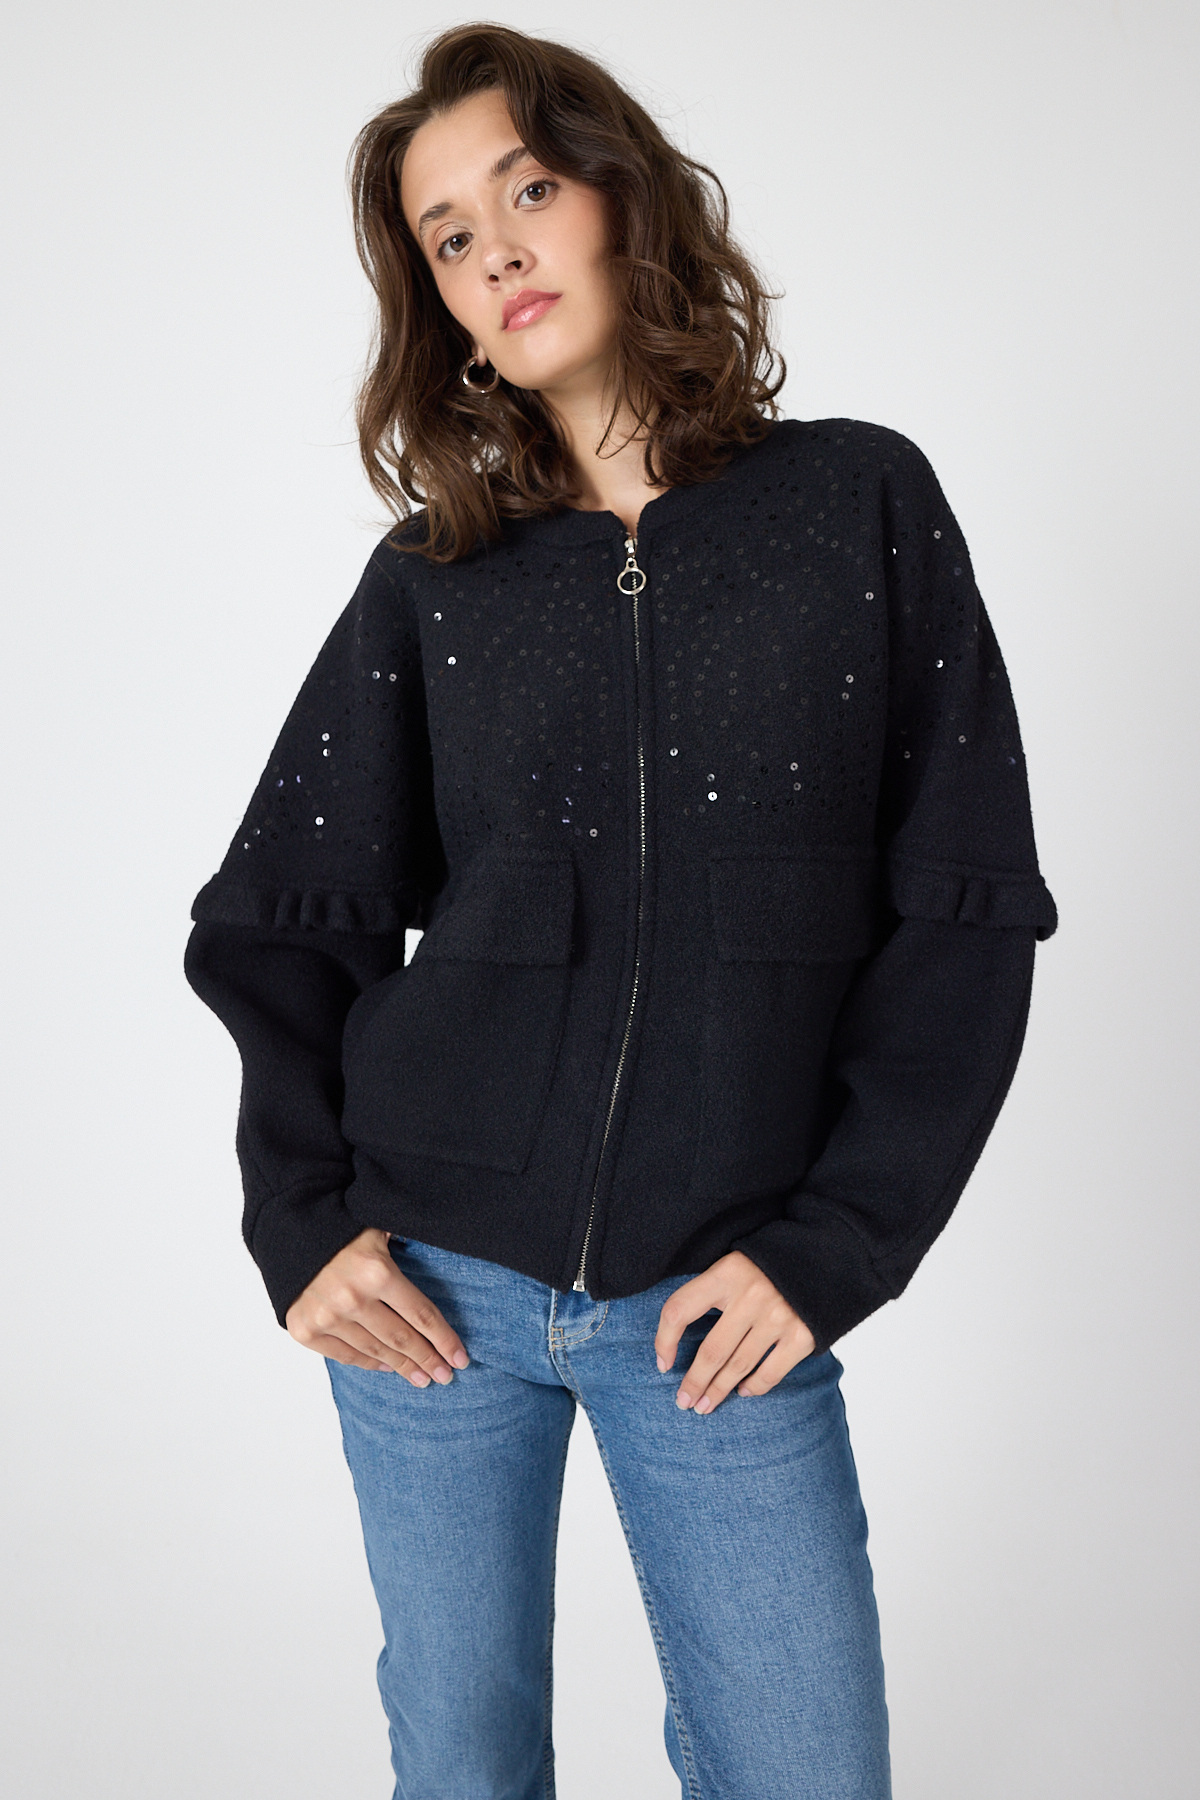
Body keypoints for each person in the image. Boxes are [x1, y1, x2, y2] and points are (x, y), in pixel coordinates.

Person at [184, 22, 1057, 1800]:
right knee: (463, 1766)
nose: (495, 251)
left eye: (525, 189)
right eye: (448, 235)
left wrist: (839, 1241)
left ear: (619, 196)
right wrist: (302, 1221)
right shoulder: (439, 581)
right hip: (433, 1293)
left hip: (718, 1295)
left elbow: (963, 913)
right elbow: (279, 913)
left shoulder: (859, 506)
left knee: (807, 1771)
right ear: (437, 301)